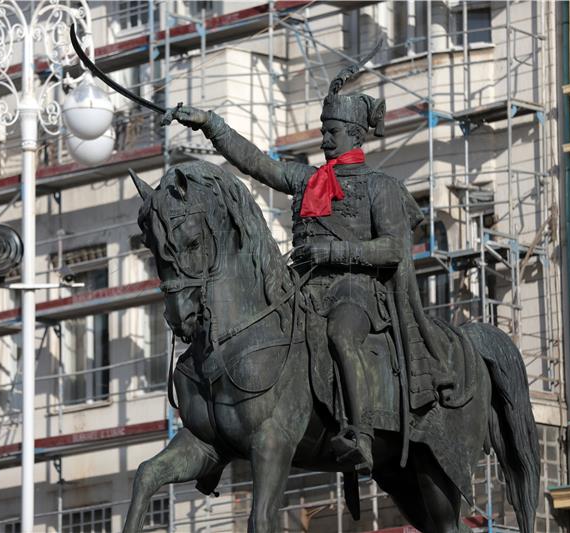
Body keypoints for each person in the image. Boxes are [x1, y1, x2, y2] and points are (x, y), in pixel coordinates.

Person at [164, 55, 453, 474]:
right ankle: (222, 434)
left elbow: (392, 249)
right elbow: (255, 162)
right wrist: (212, 124)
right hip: (303, 287)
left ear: (354, 135)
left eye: (332, 132)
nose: (324, 140)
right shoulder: (307, 180)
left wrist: (334, 253)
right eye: (322, 132)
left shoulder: (381, 187)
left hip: (356, 291)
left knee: (341, 335)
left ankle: (361, 435)